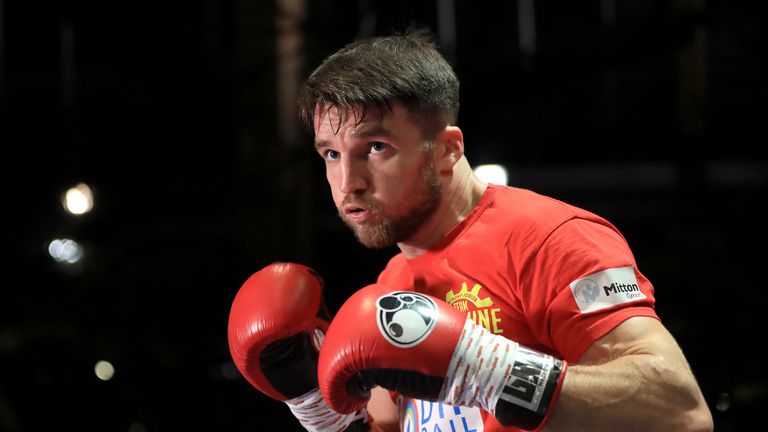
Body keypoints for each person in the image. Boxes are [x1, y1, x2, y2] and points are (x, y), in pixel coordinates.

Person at [228, 29, 713, 431]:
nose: (347, 182)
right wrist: (316, 406)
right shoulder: (392, 284)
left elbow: (678, 410)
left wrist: (486, 370)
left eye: (374, 147)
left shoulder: (550, 239)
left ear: (446, 150)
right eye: (331, 153)